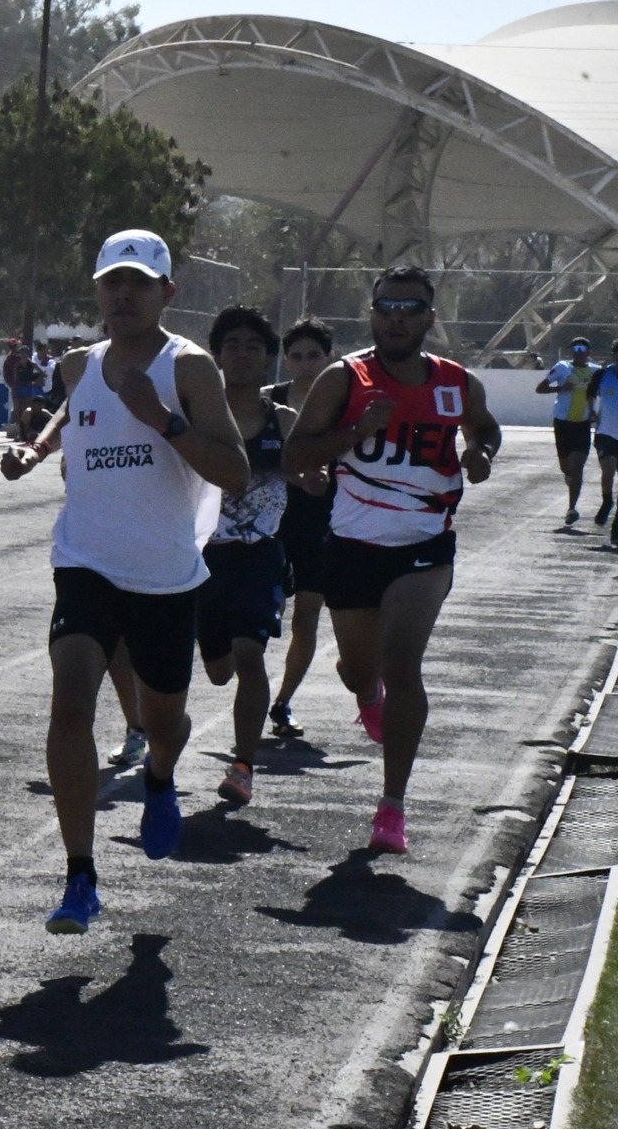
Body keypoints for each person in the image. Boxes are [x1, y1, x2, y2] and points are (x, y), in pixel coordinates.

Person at [0, 229, 248, 934]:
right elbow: (67, 417)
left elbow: (233, 472)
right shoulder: (79, 365)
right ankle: (80, 877)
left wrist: (164, 422)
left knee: (163, 719)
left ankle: (163, 777)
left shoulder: (188, 366)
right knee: (70, 706)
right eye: (113, 281)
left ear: (167, 293)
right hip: (85, 561)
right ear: (98, 290)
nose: (124, 294)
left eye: (140, 283)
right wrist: (32, 450)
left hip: (166, 575)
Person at [284, 266, 501, 855]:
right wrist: (354, 432)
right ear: (372, 314)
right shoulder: (343, 378)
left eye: (411, 308)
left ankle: (392, 806)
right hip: (353, 546)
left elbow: (485, 430)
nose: (398, 318)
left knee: (403, 662)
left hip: (426, 545)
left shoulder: (456, 382)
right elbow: (295, 455)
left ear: (431, 317)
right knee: (361, 670)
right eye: (387, 308)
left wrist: (478, 453)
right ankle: (367, 697)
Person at [196, 308, 302, 805]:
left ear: (268, 360)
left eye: (253, 347)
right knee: (218, 669)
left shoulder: (283, 421)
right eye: (232, 345)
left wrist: (310, 477)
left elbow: (309, 467)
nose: (242, 354)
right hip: (199, 556)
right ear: (216, 354)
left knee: (250, 654)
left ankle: (243, 767)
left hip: (259, 555)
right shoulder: (195, 413)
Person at [267, 318, 337, 737]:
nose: (305, 364)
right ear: (286, 359)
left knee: (306, 618)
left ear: (329, 357)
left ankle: (283, 701)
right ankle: (253, 689)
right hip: (271, 520)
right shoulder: (266, 402)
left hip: (323, 520)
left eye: (314, 356)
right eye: (297, 356)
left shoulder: (345, 405)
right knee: (262, 613)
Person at [537, 337, 600, 524]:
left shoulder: (596, 372)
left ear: (588, 352)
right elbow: (540, 388)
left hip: (582, 425)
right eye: (575, 348)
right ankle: (568, 477)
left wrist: (595, 411)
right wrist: (560, 388)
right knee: (567, 468)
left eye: (582, 348)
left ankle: (571, 508)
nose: (578, 351)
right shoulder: (562, 367)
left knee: (577, 468)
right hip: (563, 424)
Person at [593, 338, 618, 533]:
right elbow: (589, 396)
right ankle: (607, 500)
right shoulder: (602, 375)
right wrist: (591, 414)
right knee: (607, 472)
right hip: (606, 434)